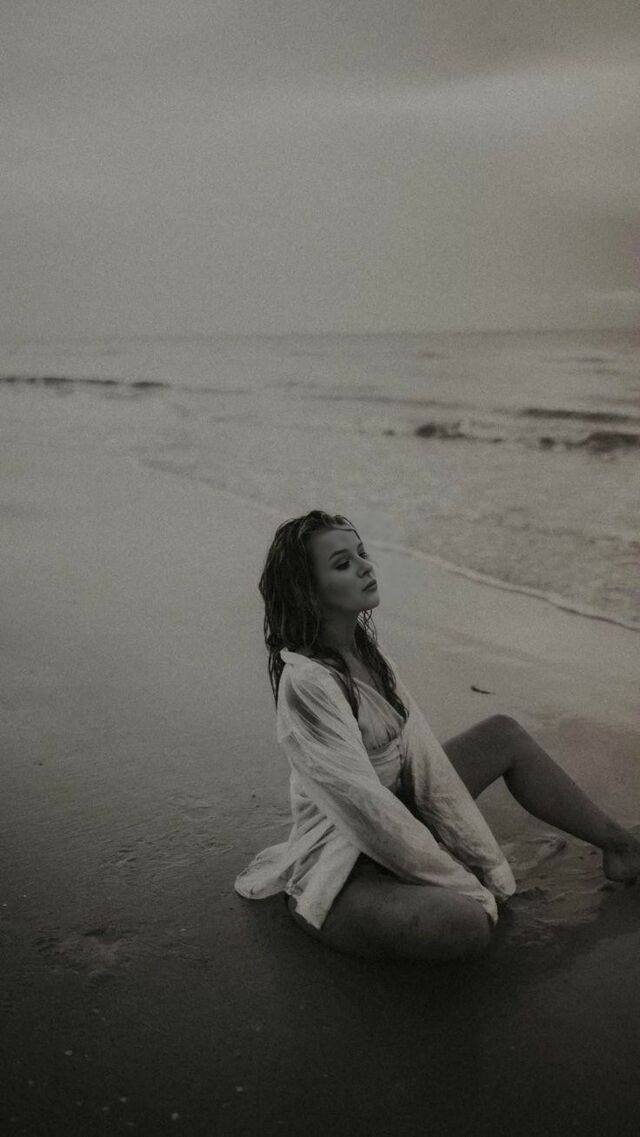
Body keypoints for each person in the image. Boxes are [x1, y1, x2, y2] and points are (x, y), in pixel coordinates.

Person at [234, 510, 640, 962]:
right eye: (343, 564)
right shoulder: (307, 684)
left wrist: (478, 854)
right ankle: (338, 903)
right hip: (343, 858)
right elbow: (365, 811)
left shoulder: (367, 652)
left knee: (502, 734)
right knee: (465, 924)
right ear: (307, 590)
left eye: (362, 553)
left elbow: (423, 761)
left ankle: (621, 846)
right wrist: (463, 881)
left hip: (398, 815)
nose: (366, 566)